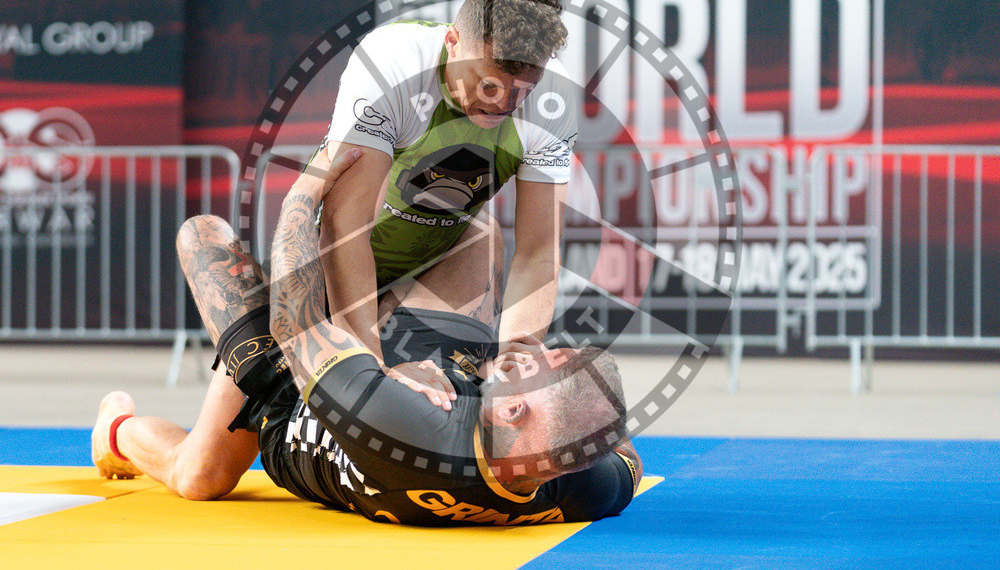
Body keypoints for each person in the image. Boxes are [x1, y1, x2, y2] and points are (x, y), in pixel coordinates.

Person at [92, 149, 641, 525]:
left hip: (297, 396)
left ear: (516, 413)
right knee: (474, 232)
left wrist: (307, 193)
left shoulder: (404, 430)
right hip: (419, 359)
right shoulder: (578, 484)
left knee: (200, 475)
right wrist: (578, 410)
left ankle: (114, 431)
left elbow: (296, 323)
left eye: (527, 368)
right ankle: (379, 208)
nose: (526, 353)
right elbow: (625, 462)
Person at [317, 0, 578, 366]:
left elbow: (538, 252)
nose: (501, 106)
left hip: (432, 271)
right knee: (221, 432)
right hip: (328, 267)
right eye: (486, 83)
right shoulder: (393, 61)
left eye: (522, 89)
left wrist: (513, 369)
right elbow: (345, 226)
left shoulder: (555, 98)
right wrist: (367, 370)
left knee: (483, 233)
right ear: (452, 43)